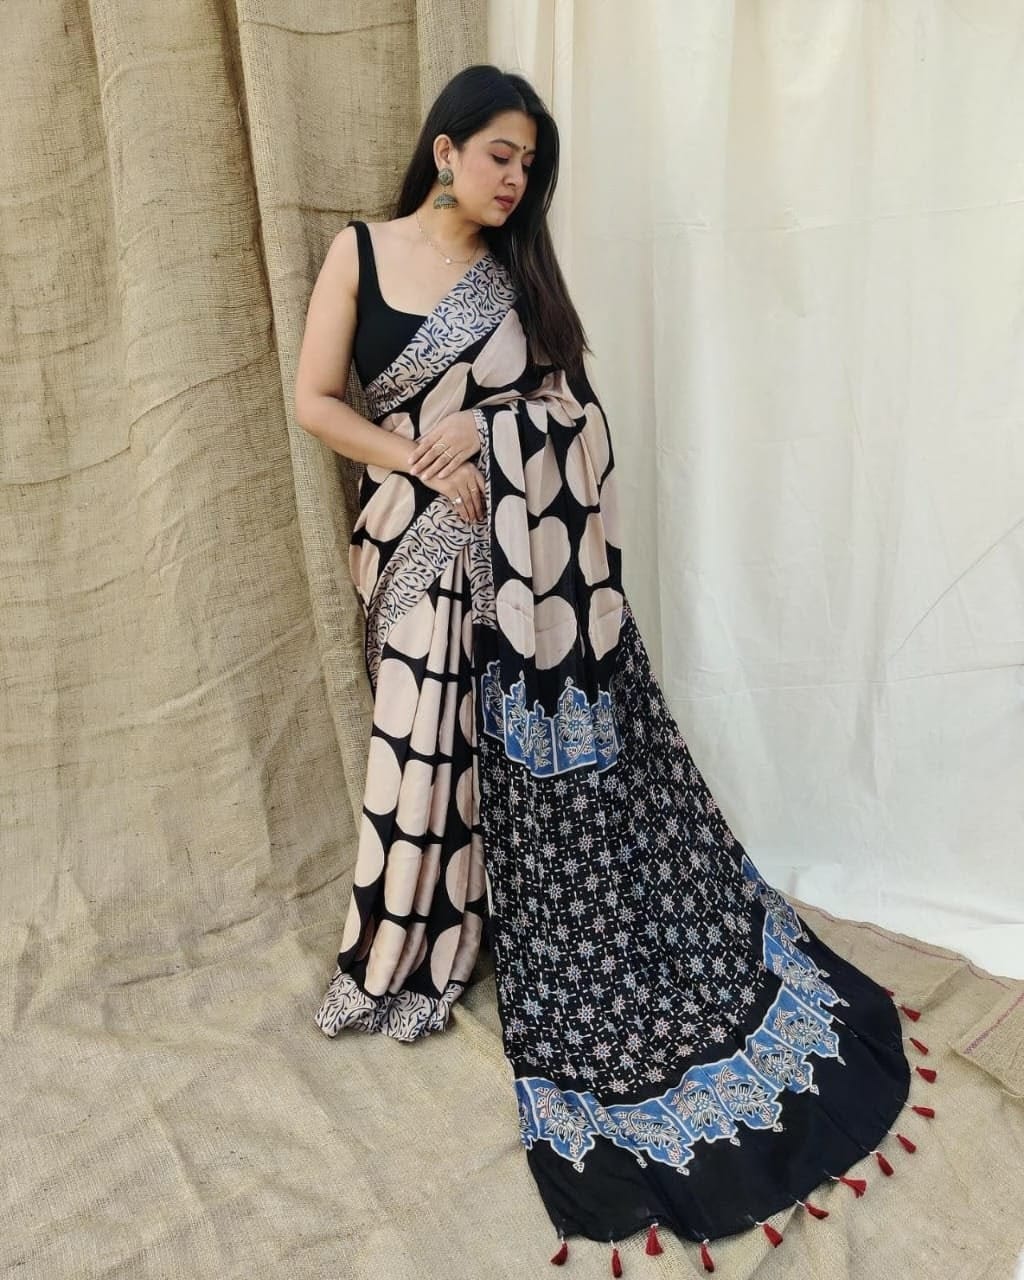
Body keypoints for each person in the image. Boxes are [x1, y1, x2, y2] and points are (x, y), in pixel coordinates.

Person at [293, 63, 935, 1272]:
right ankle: (403, 955)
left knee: (527, 771)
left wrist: (494, 430)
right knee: (419, 754)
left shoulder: (519, 279)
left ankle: (506, 926)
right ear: (443, 148)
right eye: (499, 154)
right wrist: (417, 460)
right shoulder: (360, 255)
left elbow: (576, 417)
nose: (514, 177)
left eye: (529, 163)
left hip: (527, 567)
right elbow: (314, 398)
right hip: (418, 546)